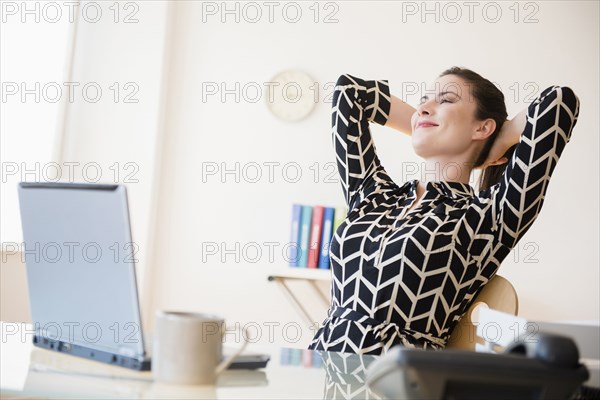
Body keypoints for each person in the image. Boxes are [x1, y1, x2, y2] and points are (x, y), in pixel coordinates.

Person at [307, 67, 581, 355]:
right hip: (320, 368)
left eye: (446, 100)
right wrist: (423, 121)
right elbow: (350, 93)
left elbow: (559, 102)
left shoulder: (487, 216)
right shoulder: (374, 196)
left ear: (482, 127)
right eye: (424, 100)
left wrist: (497, 141)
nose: (423, 107)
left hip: (397, 378)